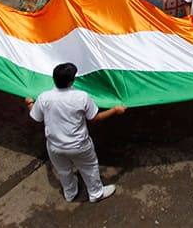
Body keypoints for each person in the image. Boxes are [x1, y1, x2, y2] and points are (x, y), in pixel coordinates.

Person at [24, 62, 125, 203]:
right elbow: (95, 118)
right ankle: (96, 193)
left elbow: (36, 117)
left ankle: (70, 193)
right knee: (89, 168)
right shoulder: (81, 97)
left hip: (55, 146)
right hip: (79, 145)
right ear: (71, 81)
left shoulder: (44, 97)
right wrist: (115, 110)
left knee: (63, 170)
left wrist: (30, 103)